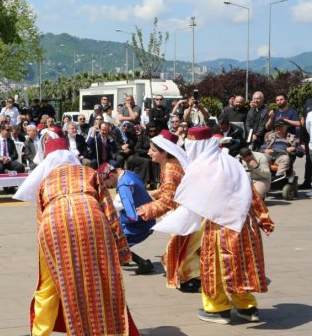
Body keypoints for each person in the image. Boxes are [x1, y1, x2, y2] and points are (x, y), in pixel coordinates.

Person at [13, 138, 138, 336]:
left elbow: (40, 220)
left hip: (54, 226)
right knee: (102, 278)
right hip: (92, 219)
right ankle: (108, 329)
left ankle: (41, 332)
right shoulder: (89, 173)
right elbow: (109, 211)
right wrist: (122, 251)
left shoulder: (45, 182)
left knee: (54, 282)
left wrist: (45, 255)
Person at [153, 127, 274, 325]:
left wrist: (150, 214)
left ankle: (218, 309)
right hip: (244, 224)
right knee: (239, 267)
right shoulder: (229, 162)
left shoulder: (202, 167)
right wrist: (263, 218)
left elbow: (187, 203)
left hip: (220, 227)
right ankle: (247, 307)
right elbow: (250, 191)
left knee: (214, 268)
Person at [136, 130, 202, 292]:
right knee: (182, 250)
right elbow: (170, 189)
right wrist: (152, 193)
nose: (149, 152)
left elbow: (167, 201)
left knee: (180, 251)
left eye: (153, 150)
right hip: (189, 213)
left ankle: (195, 280)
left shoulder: (170, 169)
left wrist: (145, 210)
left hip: (186, 215)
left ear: (164, 152)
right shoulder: (172, 164)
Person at [98, 161, 156, 275]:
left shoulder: (123, 185)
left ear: (111, 175)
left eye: (107, 183)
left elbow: (122, 205)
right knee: (116, 240)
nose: (109, 186)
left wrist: (99, 209)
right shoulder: (129, 174)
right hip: (145, 218)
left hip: (139, 223)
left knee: (116, 243)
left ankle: (143, 263)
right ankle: (124, 259)